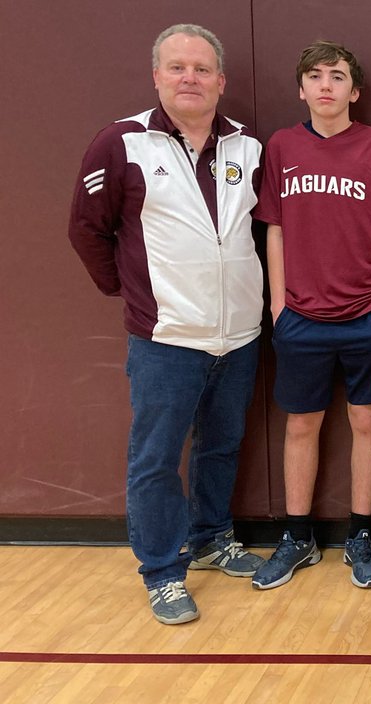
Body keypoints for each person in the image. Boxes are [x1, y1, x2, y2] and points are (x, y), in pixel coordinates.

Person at [68, 24, 265, 624]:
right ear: (156, 76)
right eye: (177, 67)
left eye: (202, 69)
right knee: (156, 456)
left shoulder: (247, 146)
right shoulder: (122, 143)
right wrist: (131, 294)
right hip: (165, 338)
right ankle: (161, 569)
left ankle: (214, 537)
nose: (190, 78)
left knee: (222, 444)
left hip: (241, 334)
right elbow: (86, 229)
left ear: (221, 81)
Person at [251, 40, 371, 590]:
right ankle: (298, 536)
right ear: (301, 88)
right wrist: (278, 303)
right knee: (301, 425)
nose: (325, 85)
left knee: (368, 423)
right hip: (302, 316)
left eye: (337, 76)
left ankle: (360, 532)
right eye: (314, 76)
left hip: (367, 313)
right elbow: (276, 227)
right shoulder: (283, 145)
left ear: (354, 91)